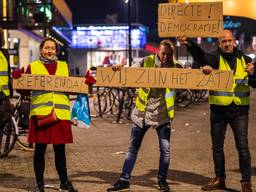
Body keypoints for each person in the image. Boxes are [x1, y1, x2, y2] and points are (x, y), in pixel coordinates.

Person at [178, 29, 255, 192]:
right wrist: (189, 43)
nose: (226, 44)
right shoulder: (214, 58)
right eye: (223, 41)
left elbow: (255, 83)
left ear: (234, 41)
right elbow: (201, 57)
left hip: (239, 111)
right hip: (219, 110)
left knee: (243, 147)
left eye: (229, 41)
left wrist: (253, 74)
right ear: (219, 43)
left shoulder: (246, 59)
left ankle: (246, 182)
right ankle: (220, 179)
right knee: (217, 147)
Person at [107, 39, 176, 192]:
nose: (166, 57)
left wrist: (205, 69)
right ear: (158, 51)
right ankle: (124, 179)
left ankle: (162, 180)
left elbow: (193, 77)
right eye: (164, 53)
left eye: (169, 55)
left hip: (162, 115)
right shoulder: (146, 61)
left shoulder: (176, 68)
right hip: (142, 114)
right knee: (133, 148)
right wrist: (120, 69)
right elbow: (132, 72)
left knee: (165, 150)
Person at [12, 38, 77, 192]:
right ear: (41, 49)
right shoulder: (33, 67)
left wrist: (87, 83)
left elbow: (72, 88)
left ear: (56, 50)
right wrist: (18, 79)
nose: (49, 51)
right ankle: (39, 185)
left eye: (52, 48)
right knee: (39, 151)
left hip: (60, 115)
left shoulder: (63, 66)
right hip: (41, 115)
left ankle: (64, 183)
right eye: (47, 48)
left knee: (60, 151)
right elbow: (24, 91)